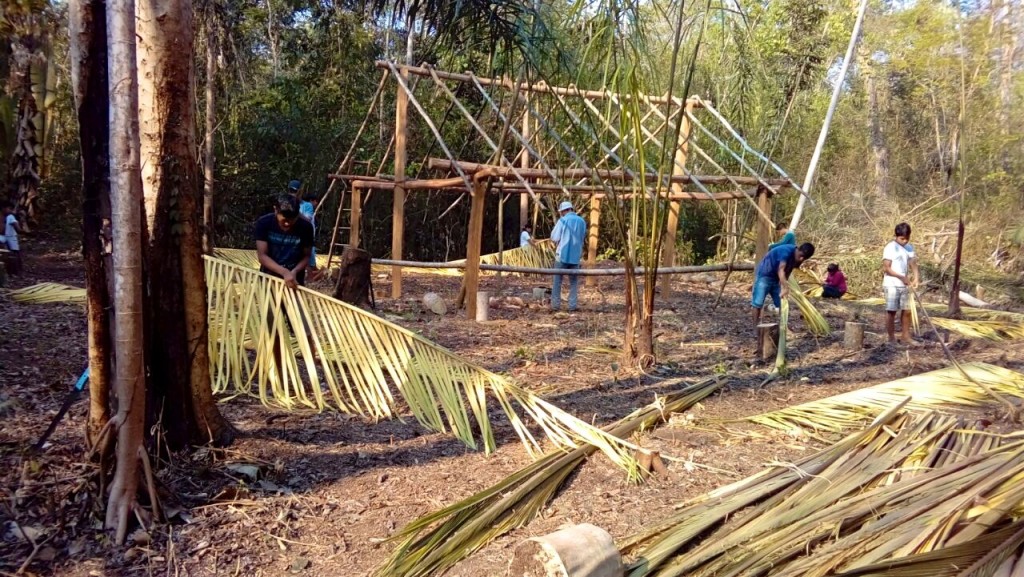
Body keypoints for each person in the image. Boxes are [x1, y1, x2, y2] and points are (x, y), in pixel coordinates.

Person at [751, 242, 816, 353]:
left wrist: (782, 285)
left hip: (777, 279)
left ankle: (783, 328)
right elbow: (781, 269)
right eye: (800, 256)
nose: (800, 259)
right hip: (765, 275)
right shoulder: (785, 252)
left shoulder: (797, 258)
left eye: (803, 258)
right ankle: (755, 327)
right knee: (758, 303)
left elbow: (787, 271)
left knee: (782, 304)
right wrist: (785, 287)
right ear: (798, 250)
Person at [255, 194, 314, 289]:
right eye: (284, 220)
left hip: (295, 280)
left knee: (293, 304)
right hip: (268, 279)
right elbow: (262, 256)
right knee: (269, 303)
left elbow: (306, 255)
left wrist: (294, 271)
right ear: (275, 210)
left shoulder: (306, 227)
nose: (287, 223)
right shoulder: (264, 223)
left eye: (291, 220)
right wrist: (284, 272)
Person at [882, 222, 919, 344]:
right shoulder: (890, 247)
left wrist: (916, 278)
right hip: (892, 283)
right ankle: (891, 338)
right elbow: (887, 268)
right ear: (896, 236)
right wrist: (901, 277)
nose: (904, 241)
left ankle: (906, 336)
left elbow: (913, 263)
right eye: (902, 238)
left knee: (907, 310)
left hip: (905, 284)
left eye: (907, 238)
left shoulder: (909, 248)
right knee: (891, 311)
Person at [550, 201, 587, 312]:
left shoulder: (563, 220)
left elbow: (554, 237)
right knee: (574, 282)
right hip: (576, 256)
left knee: (557, 281)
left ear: (563, 211)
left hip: (561, 255)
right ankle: (572, 305)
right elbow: (583, 237)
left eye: (561, 212)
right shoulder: (582, 221)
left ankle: (555, 306)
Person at [1, 201, 22, 275]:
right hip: (5, 236)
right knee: (13, 252)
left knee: (15, 253)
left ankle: (16, 270)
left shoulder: (10, 216)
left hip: (10, 236)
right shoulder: (6, 216)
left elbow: (16, 225)